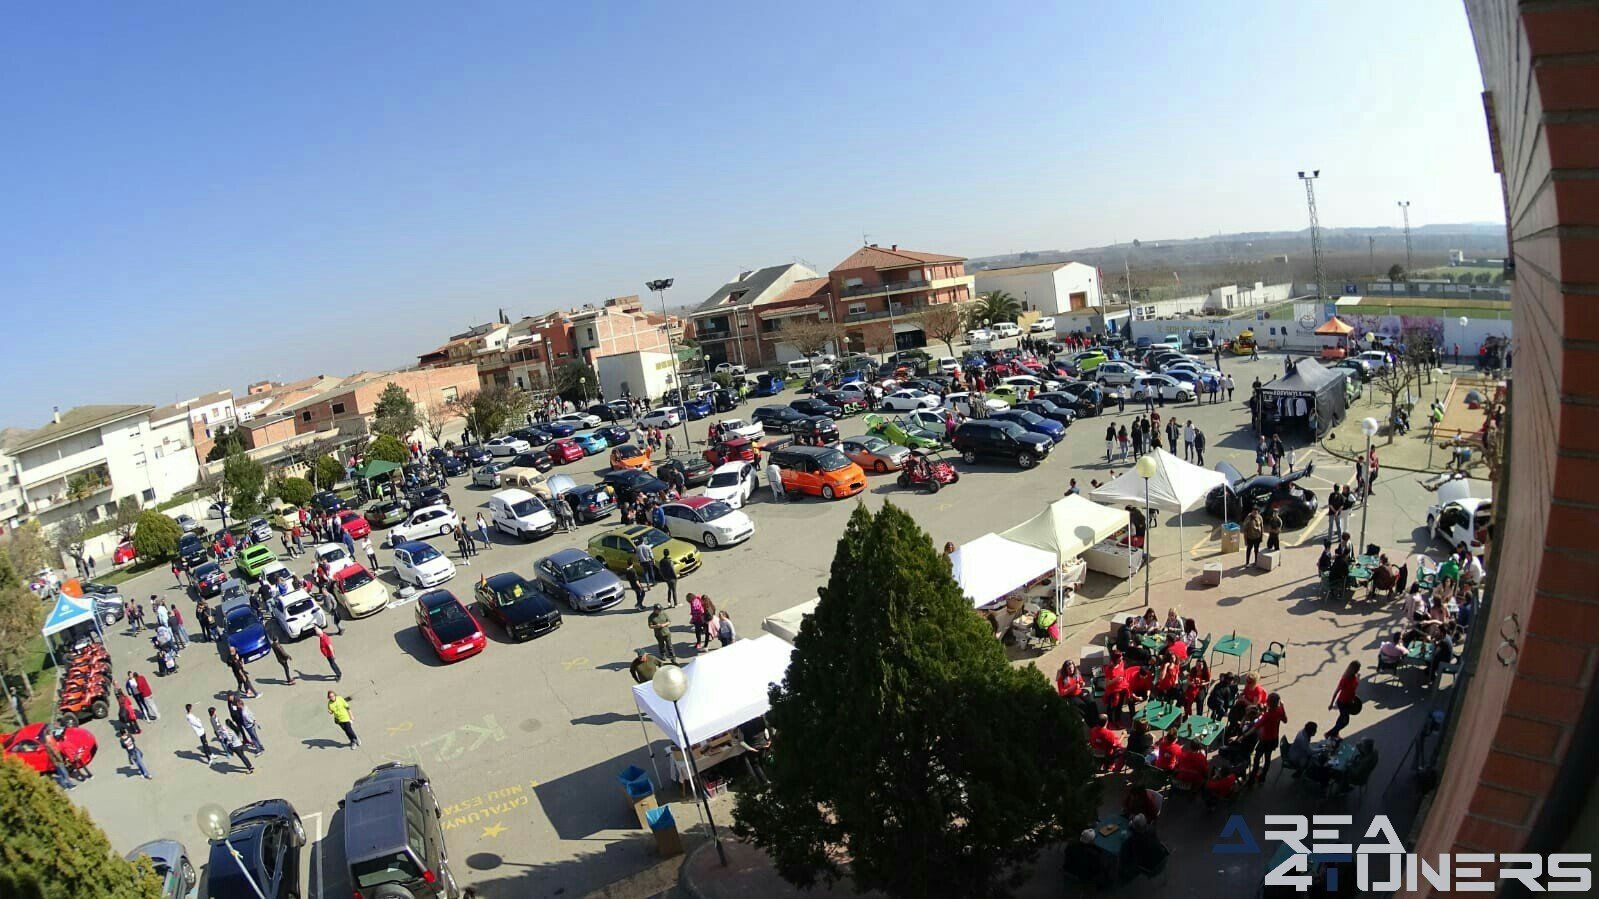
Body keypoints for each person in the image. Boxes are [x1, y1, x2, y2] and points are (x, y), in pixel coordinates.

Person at [1247, 693, 1288, 784]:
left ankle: (1252, 778)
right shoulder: (1279, 711)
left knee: (1257, 759)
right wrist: (1282, 707)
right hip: (1273, 739)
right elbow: (1285, 720)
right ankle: (1262, 778)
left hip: (1264, 740)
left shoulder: (1267, 715)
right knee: (1267, 758)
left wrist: (1243, 736)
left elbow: (1256, 726)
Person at [1326, 661, 1361, 739]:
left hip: (1349, 702)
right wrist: (1331, 704)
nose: (1358, 670)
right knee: (1345, 721)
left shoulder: (1355, 677)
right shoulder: (1345, 679)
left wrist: (1358, 678)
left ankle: (1335, 733)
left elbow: (1354, 688)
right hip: (1342, 702)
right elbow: (1336, 691)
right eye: (1357, 668)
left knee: (1341, 719)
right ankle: (1329, 733)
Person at [212, 708, 254, 773]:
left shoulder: (230, 731)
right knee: (243, 756)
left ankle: (250, 768)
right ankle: (250, 766)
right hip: (240, 744)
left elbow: (229, 739)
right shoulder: (235, 729)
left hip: (236, 746)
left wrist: (225, 735)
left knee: (242, 757)